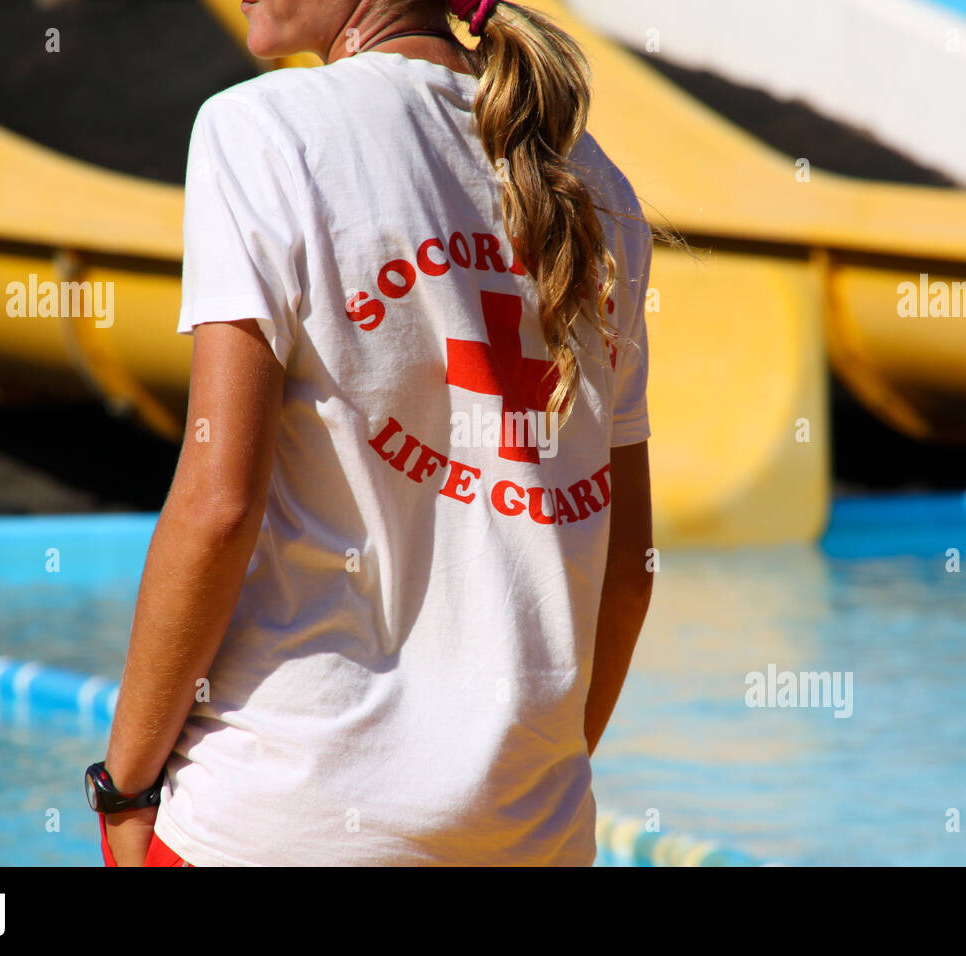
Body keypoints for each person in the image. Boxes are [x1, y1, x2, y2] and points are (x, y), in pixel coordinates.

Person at [89, 0, 655, 866]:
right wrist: (520, 785)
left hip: (281, 816)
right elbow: (629, 569)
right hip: (530, 832)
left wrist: (123, 787)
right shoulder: (595, 182)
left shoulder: (264, 129)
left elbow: (217, 505)